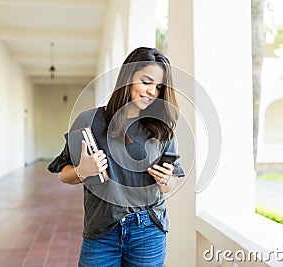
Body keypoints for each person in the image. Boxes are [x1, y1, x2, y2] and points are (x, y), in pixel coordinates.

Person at [48, 47, 185, 267]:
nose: (152, 92)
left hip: (148, 231)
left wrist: (165, 179)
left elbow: (170, 184)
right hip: (102, 231)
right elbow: (64, 175)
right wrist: (83, 171)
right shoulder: (89, 120)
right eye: (146, 82)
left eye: (158, 87)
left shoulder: (162, 127)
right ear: (128, 78)